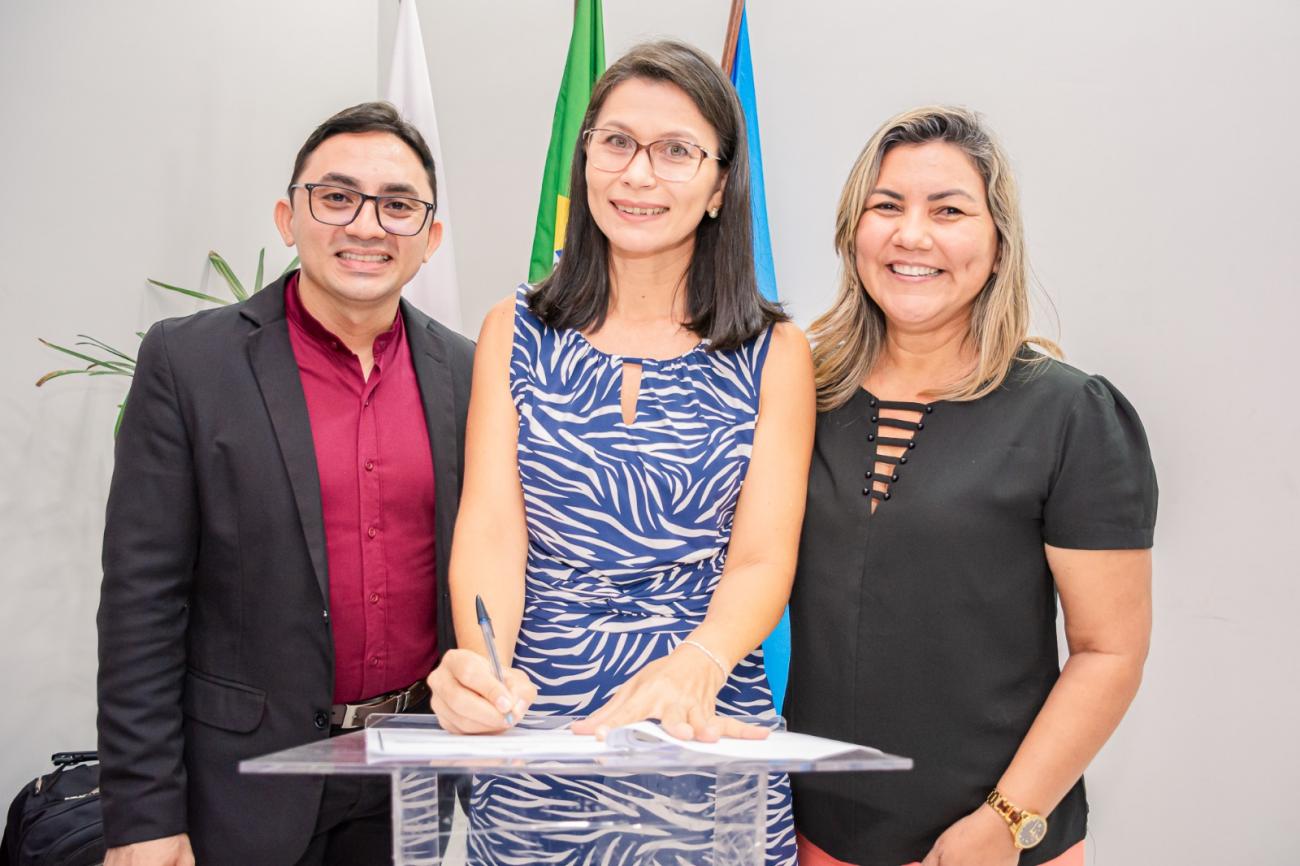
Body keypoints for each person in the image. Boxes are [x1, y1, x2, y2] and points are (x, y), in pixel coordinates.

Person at [425, 40, 814, 866]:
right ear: (587, 158)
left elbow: (762, 559)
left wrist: (696, 664)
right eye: (617, 142)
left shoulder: (774, 351)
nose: (639, 174)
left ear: (720, 185)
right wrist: (486, 670)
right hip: (539, 731)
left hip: (703, 722)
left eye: (676, 151)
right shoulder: (513, 330)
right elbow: (492, 532)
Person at [96, 102, 474, 866]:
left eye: (397, 206)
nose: (366, 225)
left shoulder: (469, 373)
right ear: (288, 218)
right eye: (336, 197)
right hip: (241, 786)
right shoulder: (191, 364)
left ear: (430, 239)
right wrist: (142, 816)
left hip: (407, 778)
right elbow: (142, 604)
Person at [787, 106, 1157, 866]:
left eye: (948, 211)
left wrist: (1005, 821)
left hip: (995, 840)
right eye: (886, 206)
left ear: (997, 246)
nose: (911, 235)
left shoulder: (1070, 413)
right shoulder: (799, 397)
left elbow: (1109, 651)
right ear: (853, 233)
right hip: (814, 831)